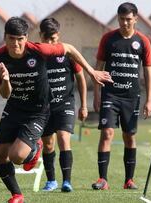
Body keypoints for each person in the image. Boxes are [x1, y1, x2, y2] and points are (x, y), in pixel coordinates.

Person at [0, 17, 112, 203]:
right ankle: (17, 195)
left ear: (26, 38)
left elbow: (69, 49)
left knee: (16, 157)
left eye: (20, 39)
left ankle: (35, 147)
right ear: (5, 37)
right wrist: (6, 80)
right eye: (11, 38)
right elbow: (5, 94)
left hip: (38, 111)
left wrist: (92, 72)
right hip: (14, 107)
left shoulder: (39, 50)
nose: (16, 43)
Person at [91, 2, 151, 190]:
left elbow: (148, 72)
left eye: (128, 19)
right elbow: (98, 70)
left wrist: (149, 100)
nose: (125, 23)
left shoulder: (143, 41)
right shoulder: (108, 39)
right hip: (110, 94)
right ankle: (103, 179)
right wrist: (96, 95)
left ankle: (129, 180)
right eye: (121, 19)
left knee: (129, 136)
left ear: (135, 19)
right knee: (107, 133)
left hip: (131, 97)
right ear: (117, 18)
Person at [39, 18, 88, 192]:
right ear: (41, 36)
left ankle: (67, 182)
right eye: (47, 40)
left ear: (58, 36)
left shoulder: (67, 53)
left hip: (65, 103)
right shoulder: (38, 55)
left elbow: (81, 79)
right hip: (45, 107)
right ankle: (51, 181)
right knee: (48, 144)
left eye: (54, 39)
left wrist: (83, 106)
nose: (51, 43)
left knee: (63, 137)